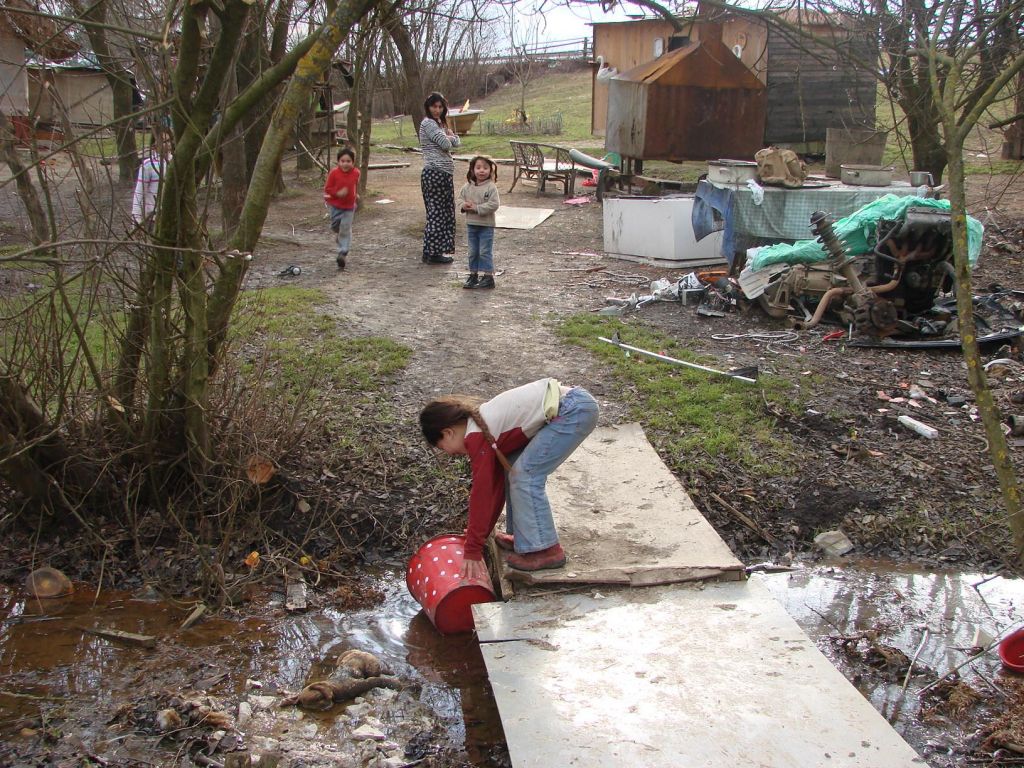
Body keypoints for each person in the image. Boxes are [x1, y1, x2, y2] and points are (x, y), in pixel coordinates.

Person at [419, 378, 599, 579]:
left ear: (448, 433)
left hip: (573, 410)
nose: (451, 454)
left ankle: (547, 550)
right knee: (513, 470)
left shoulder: (476, 436)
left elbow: (482, 493)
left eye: (443, 448)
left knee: (525, 476)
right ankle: (526, 538)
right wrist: (480, 533)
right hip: (574, 406)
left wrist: (472, 548)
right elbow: (495, 489)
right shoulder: (481, 428)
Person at [418, 92, 460, 265]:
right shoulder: (428, 123)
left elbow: (456, 141)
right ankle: (431, 253)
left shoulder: (439, 124)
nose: (437, 110)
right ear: (428, 107)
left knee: (445, 213)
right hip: (434, 172)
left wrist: (450, 137)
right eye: (434, 106)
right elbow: (446, 144)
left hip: (444, 173)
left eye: (440, 107)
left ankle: (435, 250)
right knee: (436, 213)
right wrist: (450, 137)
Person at [457, 156, 500, 289]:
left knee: (484, 251)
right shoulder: (467, 187)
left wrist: (477, 208)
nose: (482, 171)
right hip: (471, 225)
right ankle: (473, 275)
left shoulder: (491, 187)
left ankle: (488, 277)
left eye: (485, 168)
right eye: (478, 168)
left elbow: (494, 204)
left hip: (486, 225)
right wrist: (464, 205)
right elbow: (459, 200)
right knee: (472, 251)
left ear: (491, 170)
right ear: (472, 169)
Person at [323, 146, 360, 269]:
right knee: (335, 227)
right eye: (342, 161)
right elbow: (327, 189)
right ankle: (340, 237)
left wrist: (355, 194)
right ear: (338, 162)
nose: (345, 164)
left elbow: (354, 185)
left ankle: (343, 252)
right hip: (335, 205)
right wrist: (337, 193)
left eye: (348, 161)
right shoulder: (334, 173)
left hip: (349, 207)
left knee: (345, 227)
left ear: (353, 163)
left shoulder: (356, 173)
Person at [131, 129, 170, 229]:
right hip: (153, 219)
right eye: (163, 142)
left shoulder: (175, 162)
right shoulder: (148, 165)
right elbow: (139, 192)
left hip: (171, 217)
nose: (167, 144)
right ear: (154, 144)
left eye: (169, 141)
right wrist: (136, 220)